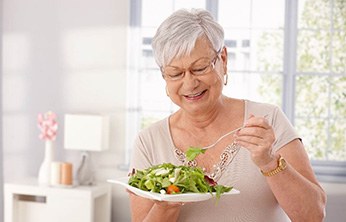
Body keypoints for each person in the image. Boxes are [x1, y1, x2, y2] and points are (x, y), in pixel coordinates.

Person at [128, 8, 326, 222]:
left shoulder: (267, 120)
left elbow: (313, 215)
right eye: (175, 73)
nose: (189, 83)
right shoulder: (149, 141)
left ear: (223, 58)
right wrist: (166, 206)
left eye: (200, 68)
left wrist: (269, 162)